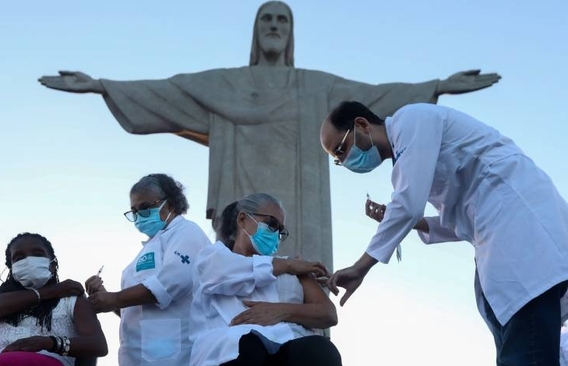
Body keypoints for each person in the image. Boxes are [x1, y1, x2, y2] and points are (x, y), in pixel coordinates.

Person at [37, 1, 501, 273]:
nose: (275, 26)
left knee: (301, 274)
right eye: (267, 19)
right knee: (236, 274)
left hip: (302, 200)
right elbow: (169, 91)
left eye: (283, 19)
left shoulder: (314, 86)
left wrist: (436, 86)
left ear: (291, 32)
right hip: (241, 191)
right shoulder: (227, 83)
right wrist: (102, 86)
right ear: (257, 32)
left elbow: (375, 97)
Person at [319, 101, 568, 365]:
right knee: (520, 349)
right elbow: (458, 219)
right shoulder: (409, 155)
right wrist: (408, 220)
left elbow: (408, 204)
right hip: (500, 242)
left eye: (341, 149)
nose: (344, 161)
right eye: (338, 159)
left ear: (361, 125)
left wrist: (361, 267)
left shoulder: (410, 120)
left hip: (522, 232)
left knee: (525, 353)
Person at [188, 193, 342, 366]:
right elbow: (223, 274)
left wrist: (282, 311)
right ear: (242, 219)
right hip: (231, 353)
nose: (276, 233)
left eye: (280, 230)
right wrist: (289, 265)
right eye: (271, 224)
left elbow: (327, 313)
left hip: (289, 346)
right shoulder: (212, 258)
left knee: (320, 350)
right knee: (246, 346)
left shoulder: (296, 268)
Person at [84, 173, 211, 366]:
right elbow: (136, 309)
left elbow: (174, 281)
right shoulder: (148, 248)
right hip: (138, 356)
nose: (138, 216)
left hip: (176, 357)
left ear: (170, 205)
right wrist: (108, 299)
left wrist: (116, 298)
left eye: (144, 207)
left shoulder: (187, 232)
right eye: (134, 211)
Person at [0, 232, 108, 366]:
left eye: (37, 254)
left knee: (7, 361)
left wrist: (49, 343)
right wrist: (53, 290)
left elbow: (98, 345)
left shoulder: (70, 299)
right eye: (19, 257)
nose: (28, 260)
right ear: (12, 269)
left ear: (52, 265)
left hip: (47, 359)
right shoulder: (3, 300)